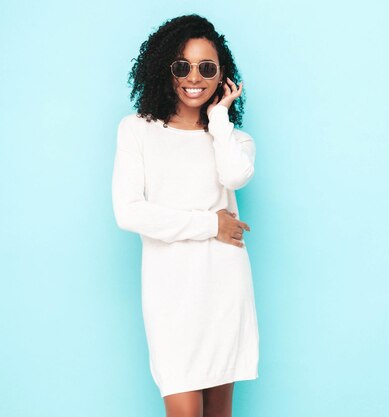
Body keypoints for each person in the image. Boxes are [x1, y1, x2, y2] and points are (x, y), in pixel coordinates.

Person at [111, 14, 259, 417]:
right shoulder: (137, 130)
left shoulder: (234, 139)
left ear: (221, 77)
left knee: (218, 412)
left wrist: (219, 118)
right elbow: (129, 212)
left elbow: (234, 176)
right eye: (183, 66)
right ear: (166, 70)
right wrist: (211, 224)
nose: (194, 77)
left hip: (223, 288)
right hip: (171, 295)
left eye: (206, 68)